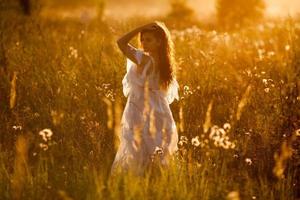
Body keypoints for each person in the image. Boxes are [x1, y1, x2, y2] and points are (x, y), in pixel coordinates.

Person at [111, 21, 179, 176]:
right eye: (142, 39)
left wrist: (139, 27)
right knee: (154, 144)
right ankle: (153, 177)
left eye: (149, 40)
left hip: (141, 106)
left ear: (159, 42)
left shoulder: (143, 59)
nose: (143, 43)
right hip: (160, 107)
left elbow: (121, 42)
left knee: (138, 143)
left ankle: (141, 178)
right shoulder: (166, 62)